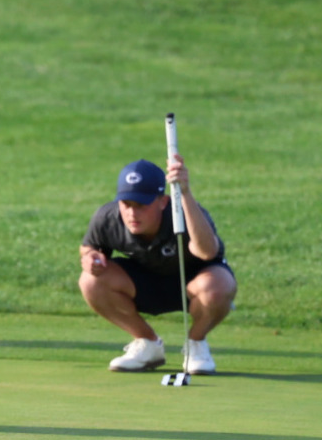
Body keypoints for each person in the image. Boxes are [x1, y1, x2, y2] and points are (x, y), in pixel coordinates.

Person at [79, 157, 237, 374]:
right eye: (126, 204)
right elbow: (89, 248)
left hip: (193, 285)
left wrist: (186, 194)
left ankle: (196, 344)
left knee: (219, 285)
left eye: (141, 206)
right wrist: (90, 258)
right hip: (144, 285)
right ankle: (147, 344)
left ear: (163, 202)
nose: (132, 214)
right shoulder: (108, 217)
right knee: (90, 281)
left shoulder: (185, 213)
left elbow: (207, 251)